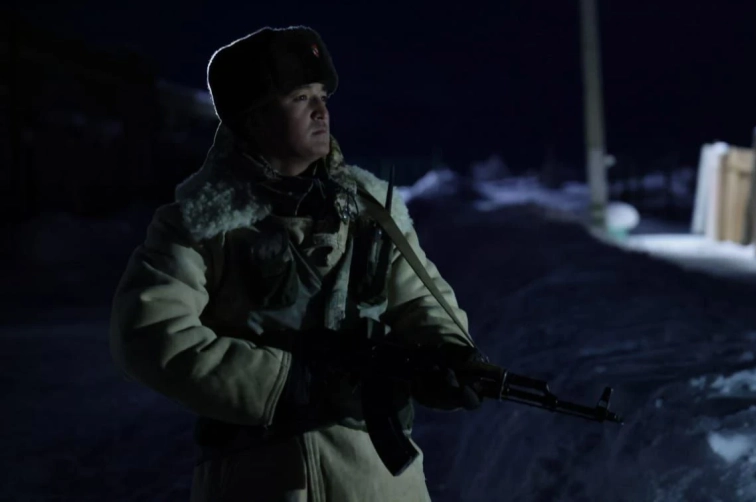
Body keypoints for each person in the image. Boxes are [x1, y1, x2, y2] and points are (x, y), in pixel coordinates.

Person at [109, 26, 483, 502]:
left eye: (322, 95)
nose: (321, 111)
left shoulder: (371, 208)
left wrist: (448, 354)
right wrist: (285, 383)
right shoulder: (204, 221)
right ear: (253, 118)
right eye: (299, 97)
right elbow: (147, 334)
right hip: (261, 478)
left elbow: (420, 299)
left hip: (376, 480)